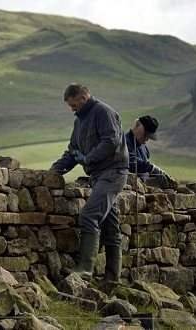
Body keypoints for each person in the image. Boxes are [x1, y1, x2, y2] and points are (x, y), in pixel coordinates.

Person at [50, 83, 128, 282]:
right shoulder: (79, 122)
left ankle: (85, 269)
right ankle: (112, 280)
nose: (72, 109)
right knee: (110, 227)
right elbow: (73, 151)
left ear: (84, 97)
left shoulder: (103, 112)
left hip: (112, 173)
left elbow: (111, 141)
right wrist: (53, 171)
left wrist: (89, 158)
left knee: (89, 215)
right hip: (98, 176)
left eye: (74, 104)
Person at [125, 115, 177, 188]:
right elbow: (130, 162)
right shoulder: (124, 142)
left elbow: (145, 169)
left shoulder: (144, 148)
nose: (147, 139)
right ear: (137, 125)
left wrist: (156, 175)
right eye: (145, 134)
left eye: (149, 136)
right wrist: (152, 168)